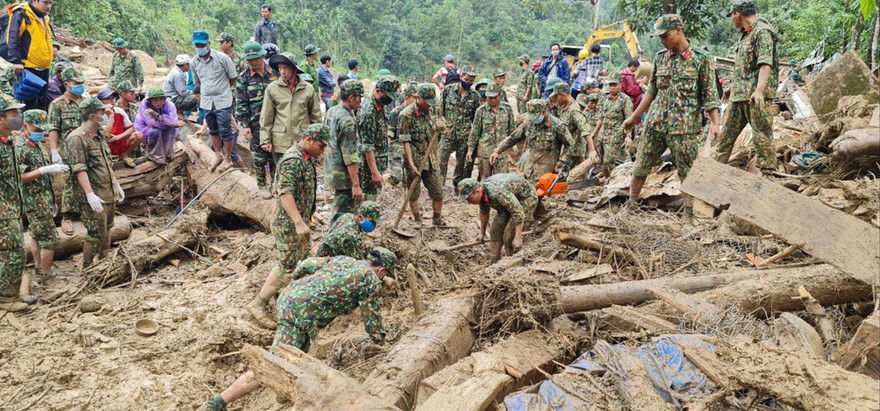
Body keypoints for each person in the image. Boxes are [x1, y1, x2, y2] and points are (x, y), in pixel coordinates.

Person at [211, 247, 396, 411]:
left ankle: (283, 392)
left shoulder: (345, 260)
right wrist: (381, 340)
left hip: (290, 298)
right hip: (300, 314)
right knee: (272, 363)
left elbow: (306, 264)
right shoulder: (371, 280)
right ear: (382, 270)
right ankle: (218, 402)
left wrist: (301, 286)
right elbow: (372, 320)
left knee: (296, 354)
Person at [622, 14, 721, 223]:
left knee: (687, 173)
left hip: (683, 129)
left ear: (678, 30)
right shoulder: (660, 57)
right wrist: (633, 118)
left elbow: (710, 95)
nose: (662, 40)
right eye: (659, 37)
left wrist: (715, 123)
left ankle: (689, 217)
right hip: (655, 125)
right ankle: (630, 209)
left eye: (665, 35)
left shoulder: (701, 59)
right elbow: (652, 91)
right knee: (640, 166)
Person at [246, 124, 328, 328]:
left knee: (303, 261)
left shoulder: (305, 158)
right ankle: (258, 303)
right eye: (321, 145)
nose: (322, 151)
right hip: (288, 223)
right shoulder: (293, 160)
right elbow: (285, 193)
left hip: (297, 221)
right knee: (288, 264)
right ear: (308, 140)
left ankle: (294, 299)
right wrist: (299, 222)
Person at [710, 0, 778, 175]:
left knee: (762, 137)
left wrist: (760, 91)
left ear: (737, 14)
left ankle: (768, 177)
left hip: (755, 97)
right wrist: (731, 87)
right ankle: (714, 172)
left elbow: (765, 64)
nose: (732, 20)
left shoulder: (762, 32)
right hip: (738, 96)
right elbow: (745, 67)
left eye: (731, 16)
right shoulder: (745, 35)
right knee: (725, 138)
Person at [66, 97, 125, 268]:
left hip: (107, 191)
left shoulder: (98, 135)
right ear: (92, 116)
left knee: (107, 228)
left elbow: (106, 163)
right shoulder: (76, 138)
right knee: (94, 233)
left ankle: (104, 260)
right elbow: (79, 169)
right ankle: (88, 267)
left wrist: (116, 184)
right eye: (102, 113)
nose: (105, 115)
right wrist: (89, 194)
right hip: (93, 194)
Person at [490, 99, 573, 219]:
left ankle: (533, 219)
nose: (534, 119)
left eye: (536, 116)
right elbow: (513, 138)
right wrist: (497, 151)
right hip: (530, 165)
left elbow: (570, 144)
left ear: (544, 112)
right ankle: (541, 215)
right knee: (529, 192)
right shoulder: (529, 123)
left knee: (532, 195)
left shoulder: (557, 125)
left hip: (547, 165)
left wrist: (562, 161)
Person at [16, 109, 69, 297]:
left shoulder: (36, 143)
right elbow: (20, 177)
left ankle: (39, 269)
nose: (41, 133)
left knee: (36, 234)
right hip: (34, 200)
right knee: (50, 239)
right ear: (25, 126)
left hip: (43, 198)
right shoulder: (21, 148)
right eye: (37, 128)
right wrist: (44, 170)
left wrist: (52, 200)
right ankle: (46, 276)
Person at [190, 30, 238, 173]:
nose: (200, 47)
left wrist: (222, 89)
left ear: (209, 43)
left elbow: (232, 77)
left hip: (223, 100)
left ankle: (228, 158)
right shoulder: (194, 62)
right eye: (197, 45)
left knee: (225, 129)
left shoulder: (222, 58)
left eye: (202, 44)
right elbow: (197, 83)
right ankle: (218, 155)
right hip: (206, 101)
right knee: (213, 129)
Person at [260, 52, 322, 163]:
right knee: (283, 176)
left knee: (303, 174)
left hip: (302, 141)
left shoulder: (308, 89)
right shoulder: (272, 89)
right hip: (280, 141)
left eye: (286, 68)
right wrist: (265, 140)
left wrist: (316, 140)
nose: (282, 71)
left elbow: (315, 116)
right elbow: (266, 116)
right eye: (280, 68)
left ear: (294, 69)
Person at [457, 175, 536, 261]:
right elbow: (484, 212)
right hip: (508, 202)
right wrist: (482, 233)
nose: (468, 202)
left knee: (509, 236)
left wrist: (518, 237)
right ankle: (494, 260)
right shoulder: (482, 194)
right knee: (495, 232)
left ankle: (510, 261)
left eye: (469, 198)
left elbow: (518, 212)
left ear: (478, 191)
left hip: (525, 198)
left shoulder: (497, 193)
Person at [235, 41, 278, 198]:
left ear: (262, 56)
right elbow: (241, 103)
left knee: (274, 153)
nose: (253, 62)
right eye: (250, 59)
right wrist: (245, 126)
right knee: (259, 156)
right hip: (256, 123)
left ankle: (275, 184)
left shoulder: (275, 73)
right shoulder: (244, 78)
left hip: (276, 121)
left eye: (256, 58)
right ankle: (261, 185)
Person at [47, 67, 86, 235]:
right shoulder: (58, 105)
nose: (80, 86)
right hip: (68, 150)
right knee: (69, 182)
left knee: (89, 179)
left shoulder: (86, 102)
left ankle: (87, 212)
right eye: (76, 83)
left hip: (87, 148)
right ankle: (67, 217)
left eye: (81, 83)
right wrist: (54, 151)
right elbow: (54, 129)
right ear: (66, 84)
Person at [401, 84, 447, 227]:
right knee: (413, 192)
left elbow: (443, 122)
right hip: (415, 158)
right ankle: (417, 219)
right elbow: (405, 141)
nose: (429, 104)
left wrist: (441, 125)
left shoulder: (434, 109)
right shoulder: (406, 115)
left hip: (432, 159)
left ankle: (437, 219)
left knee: (438, 192)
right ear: (417, 98)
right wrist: (411, 163)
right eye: (426, 101)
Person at [325, 79, 364, 219]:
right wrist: (355, 184)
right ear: (351, 97)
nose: (360, 101)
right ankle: (334, 239)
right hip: (344, 176)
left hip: (331, 170)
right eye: (359, 97)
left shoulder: (332, 111)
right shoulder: (348, 121)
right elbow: (350, 155)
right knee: (341, 215)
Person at [6, 0, 54, 111]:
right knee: (29, 104)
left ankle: (40, 128)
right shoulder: (22, 14)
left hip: (44, 67)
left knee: (42, 102)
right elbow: (13, 38)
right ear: (35, 1)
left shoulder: (43, 17)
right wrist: (16, 61)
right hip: (28, 68)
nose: (48, 6)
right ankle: (27, 127)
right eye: (45, 3)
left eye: (50, 3)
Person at [358, 75, 399, 201]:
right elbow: (367, 146)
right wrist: (374, 172)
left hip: (378, 160)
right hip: (368, 166)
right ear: (378, 91)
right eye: (387, 96)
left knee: (373, 197)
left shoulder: (380, 104)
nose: (389, 100)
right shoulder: (369, 112)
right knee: (368, 199)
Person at [438, 70, 480, 188]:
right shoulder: (448, 90)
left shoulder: (474, 96)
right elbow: (439, 110)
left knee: (461, 163)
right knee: (441, 160)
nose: (468, 83)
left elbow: (475, 119)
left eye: (471, 81)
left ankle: (458, 186)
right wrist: (441, 124)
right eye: (466, 80)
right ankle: (439, 186)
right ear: (461, 77)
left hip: (464, 136)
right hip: (447, 134)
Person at [468, 83, 514, 180]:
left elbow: (512, 130)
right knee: (485, 180)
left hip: (502, 151)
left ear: (499, 95)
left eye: (495, 97)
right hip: (485, 152)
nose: (492, 100)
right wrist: (470, 149)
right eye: (489, 97)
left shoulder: (507, 109)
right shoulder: (481, 111)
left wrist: (512, 149)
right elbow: (475, 132)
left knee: (502, 180)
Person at [592, 72, 633, 174]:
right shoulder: (605, 99)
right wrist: (594, 133)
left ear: (620, 85)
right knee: (603, 163)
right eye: (610, 85)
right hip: (603, 136)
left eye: (614, 85)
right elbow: (601, 118)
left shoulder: (625, 100)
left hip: (616, 135)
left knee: (612, 162)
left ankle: (615, 181)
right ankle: (608, 181)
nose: (612, 87)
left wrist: (628, 136)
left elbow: (629, 119)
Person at [316, 201, 381, 259]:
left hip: (326, 252)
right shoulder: (351, 236)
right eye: (371, 221)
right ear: (360, 217)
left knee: (368, 245)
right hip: (327, 261)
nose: (373, 224)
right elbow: (357, 264)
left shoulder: (348, 216)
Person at [135, 88, 182, 165]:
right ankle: (155, 156)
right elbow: (152, 123)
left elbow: (173, 121)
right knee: (155, 131)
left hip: (162, 126)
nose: (158, 102)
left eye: (161, 99)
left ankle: (167, 154)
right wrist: (168, 122)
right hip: (145, 128)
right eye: (155, 100)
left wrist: (157, 115)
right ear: (150, 100)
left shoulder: (170, 105)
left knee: (171, 129)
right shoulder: (144, 105)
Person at [97, 87, 142, 167]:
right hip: (105, 144)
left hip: (119, 141)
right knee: (106, 138)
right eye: (108, 99)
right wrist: (111, 116)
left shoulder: (119, 111)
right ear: (100, 101)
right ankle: (107, 159)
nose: (112, 101)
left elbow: (132, 128)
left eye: (113, 98)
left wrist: (119, 136)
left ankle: (124, 155)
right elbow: (105, 134)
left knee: (138, 135)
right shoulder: (97, 115)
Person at [549, 82, 590, 167]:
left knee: (569, 174)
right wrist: (554, 99)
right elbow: (551, 101)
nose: (556, 99)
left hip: (574, 151)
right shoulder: (563, 106)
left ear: (563, 94)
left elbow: (585, 129)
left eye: (557, 96)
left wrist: (592, 149)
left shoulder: (574, 110)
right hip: (567, 148)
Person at [576, 92, 601, 166]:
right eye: (592, 102)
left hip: (594, 135)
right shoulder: (582, 111)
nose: (594, 104)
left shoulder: (599, 112)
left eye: (596, 102)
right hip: (584, 136)